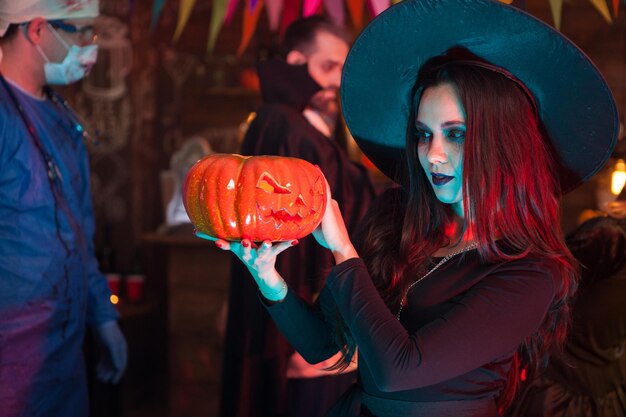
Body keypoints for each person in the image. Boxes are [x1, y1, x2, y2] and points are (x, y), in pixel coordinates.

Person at [218, 15, 378, 417]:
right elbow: (283, 228)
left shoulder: (310, 128)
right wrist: (296, 342)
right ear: (294, 61)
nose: (336, 81)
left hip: (319, 318)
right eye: (328, 67)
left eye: (343, 69)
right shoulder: (283, 126)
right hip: (296, 321)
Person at [0, 1, 127, 416]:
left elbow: (78, 231)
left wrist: (102, 314)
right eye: (80, 33)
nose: (90, 48)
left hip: (64, 346)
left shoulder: (61, 118)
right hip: (11, 353)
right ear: (37, 30)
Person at [508, 202, 626, 416]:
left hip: (566, 393)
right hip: (580, 386)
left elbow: (545, 277)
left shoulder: (612, 236)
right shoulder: (611, 237)